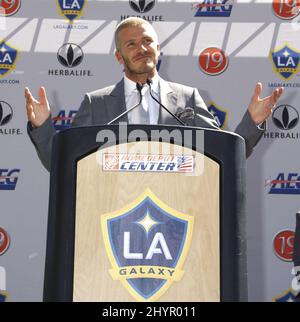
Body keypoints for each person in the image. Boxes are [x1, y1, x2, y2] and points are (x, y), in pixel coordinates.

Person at [25, 17, 283, 171]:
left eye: (148, 41)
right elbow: (65, 165)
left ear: (158, 49)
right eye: (131, 44)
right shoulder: (96, 103)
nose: (142, 49)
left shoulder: (187, 99)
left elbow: (220, 155)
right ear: (119, 56)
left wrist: (253, 122)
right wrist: (42, 127)